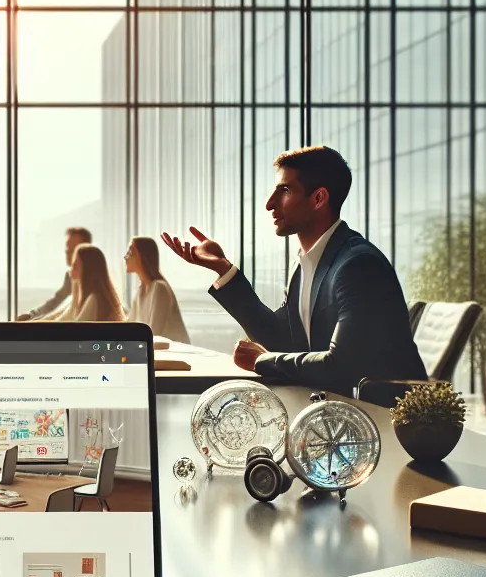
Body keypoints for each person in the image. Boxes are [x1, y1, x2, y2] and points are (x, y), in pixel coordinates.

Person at [162, 144, 424, 397]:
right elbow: (280, 339)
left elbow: (343, 367)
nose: (269, 204)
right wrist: (224, 269)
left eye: (284, 190)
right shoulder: (305, 264)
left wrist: (263, 361)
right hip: (335, 415)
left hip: (384, 425)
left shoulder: (358, 265)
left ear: (319, 198)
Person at [17, 226, 92, 320]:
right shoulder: (71, 276)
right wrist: (32, 315)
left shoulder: (94, 282)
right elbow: (57, 301)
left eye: (73, 250)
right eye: (68, 249)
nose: (68, 253)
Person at [124, 235, 189, 343]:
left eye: (130, 253)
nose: (125, 257)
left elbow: (154, 333)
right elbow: (130, 328)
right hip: (156, 351)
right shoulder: (140, 291)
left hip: (174, 352)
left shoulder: (159, 288)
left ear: (143, 257)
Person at [38, 242, 123, 322]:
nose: (70, 271)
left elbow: (77, 329)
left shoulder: (93, 299)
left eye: (75, 266)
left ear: (88, 270)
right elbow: (60, 319)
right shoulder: (78, 298)